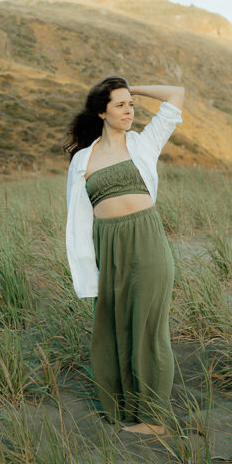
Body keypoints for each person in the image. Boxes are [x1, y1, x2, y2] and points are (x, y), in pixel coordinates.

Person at [64, 77, 185, 435]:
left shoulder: (142, 143)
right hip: (109, 247)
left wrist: (133, 88)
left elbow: (176, 96)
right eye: (120, 105)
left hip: (147, 242)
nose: (129, 111)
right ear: (101, 111)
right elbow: (78, 217)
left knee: (148, 331)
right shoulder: (83, 159)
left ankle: (153, 420)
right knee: (116, 330)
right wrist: (88, 266)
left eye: (131, 104)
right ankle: (125, 409)